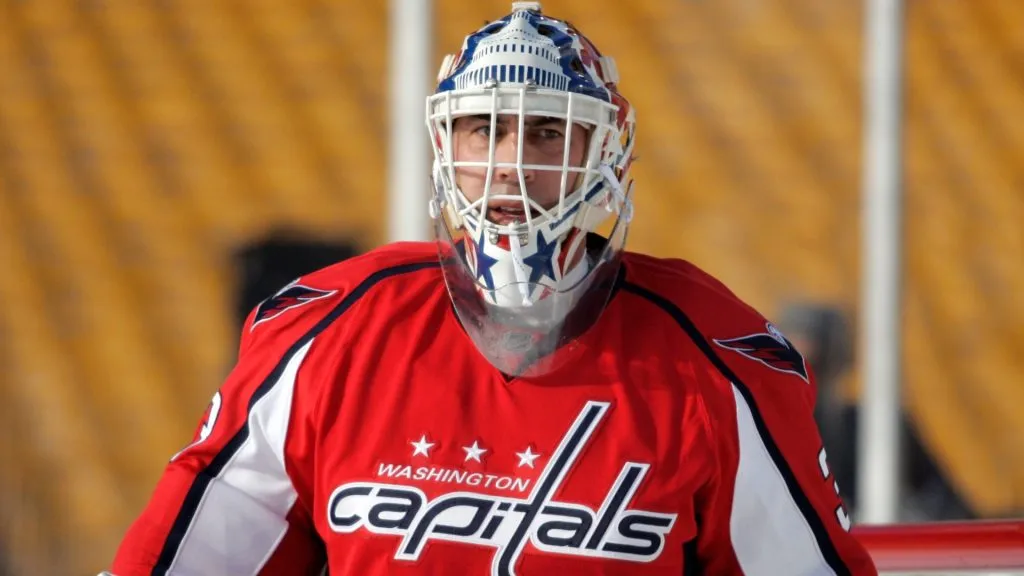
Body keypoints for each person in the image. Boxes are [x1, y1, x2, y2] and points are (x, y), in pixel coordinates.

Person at [105, 2, 878, 574]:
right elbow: (189, 556)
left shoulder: (711, 357)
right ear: (448, 144)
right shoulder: (329, 333)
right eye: (486, 129)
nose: (511, 162)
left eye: (545, 131)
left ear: (602, 148)